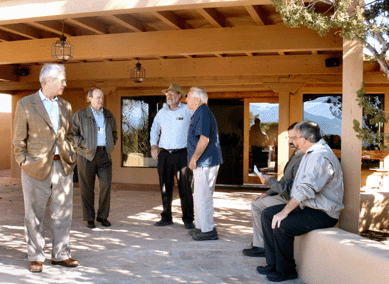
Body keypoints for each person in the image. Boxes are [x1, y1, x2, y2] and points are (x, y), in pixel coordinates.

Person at [257, 121, 344, 282]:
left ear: (304, 139)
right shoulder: (310, 152)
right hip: (309, 207)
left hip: (323, 213)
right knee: (268, 214)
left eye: (295, 138)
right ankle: (273, 264)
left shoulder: (320, 156)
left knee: (282, 224)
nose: (293, 141)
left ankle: (287, 270)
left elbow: (306, 189)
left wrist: (284, 212)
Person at [13, 63, 79, 273]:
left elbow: (69, 135)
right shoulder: (25, 104)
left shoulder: (66, 106)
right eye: (62, 80)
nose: (65, 84)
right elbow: (18, 140)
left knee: (63, 213)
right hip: (35, 168)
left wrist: (71, 154)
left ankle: (61, 255)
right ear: (48, 81)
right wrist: (24, 162)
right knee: (34, 214)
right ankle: (36, 256)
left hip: (62, 166)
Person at [243, 122, 303, 257]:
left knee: (258, 206)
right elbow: (284, 180)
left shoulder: (302, 159)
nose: (290, 141)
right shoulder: (296, 155)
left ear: (303, 137)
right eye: (289, 138)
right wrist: (268, 192)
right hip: (285, 196)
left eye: (293, 138)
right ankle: (261, 245)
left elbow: (290, 190)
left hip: (292, 201)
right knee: (258, 201)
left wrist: (269, 182)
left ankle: (263, 246)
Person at [150, 83, 194, 229]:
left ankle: (188, 219)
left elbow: (196, 128)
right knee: (164, 187)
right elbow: (154, 129)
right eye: (168, 94)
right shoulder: (161, 112)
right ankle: (166, 217)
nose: (170, 96)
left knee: (185, 188)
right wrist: (153, 146)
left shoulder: (188, 110)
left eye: (174, 94)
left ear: (180, 96)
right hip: (165, 155)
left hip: (182, 154)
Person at [73, 87, 117, 228]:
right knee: (86, 188)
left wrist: (110, 145)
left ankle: (102, 216)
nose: (100, 100)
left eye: (102, 97)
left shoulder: (109, 115)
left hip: (104, 155)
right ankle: (89, 217)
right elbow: (73, 134)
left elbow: (114, 133)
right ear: (89, 98)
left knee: (105, 185)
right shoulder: (80, 115)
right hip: (86, 156)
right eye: (97, 97)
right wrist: (84, 145)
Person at [186, 87, 223, 241]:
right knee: (199, 196)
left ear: (197, 99)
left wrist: (194, 159)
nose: (185, 99)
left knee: (203, 196)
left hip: (205, 162)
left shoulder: (203, 113)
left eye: (188, 96)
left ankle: (208, 230)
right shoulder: (200, 113)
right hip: (204, 161)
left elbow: (204, 139)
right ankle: (201, 227)